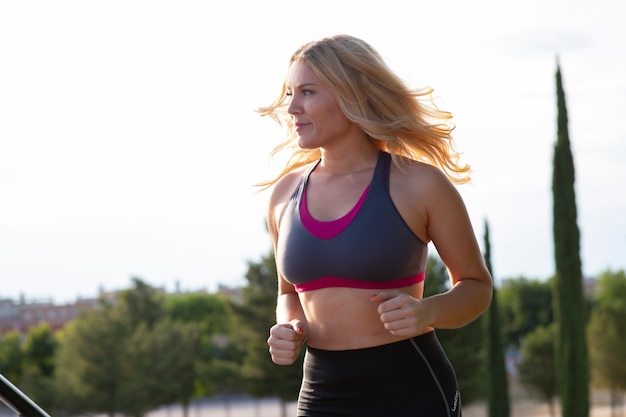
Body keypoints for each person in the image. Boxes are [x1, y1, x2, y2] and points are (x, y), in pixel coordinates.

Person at [257, 34, 492, 417]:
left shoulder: (420, 184)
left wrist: (427, 312)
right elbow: (289, 293)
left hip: (411, 389)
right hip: (321, 393)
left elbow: (477, 288)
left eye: (308, 92)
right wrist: (289, 327)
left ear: (352, 94)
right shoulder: (284, 195)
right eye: (289, 94)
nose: (292, 108)